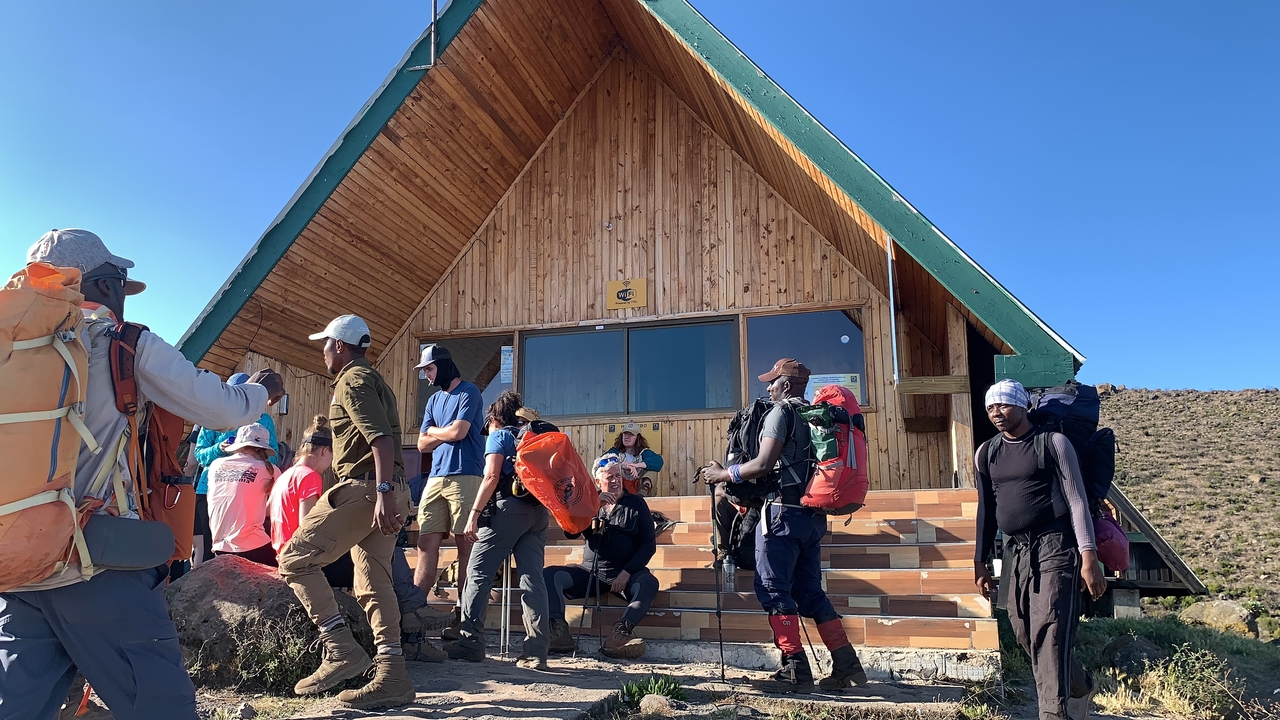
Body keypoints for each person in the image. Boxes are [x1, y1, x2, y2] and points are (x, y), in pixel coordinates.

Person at [1, 228, 284, 720]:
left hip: (18, 566)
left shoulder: (9, 350)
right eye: (120, 284)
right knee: (161, 707)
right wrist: (261, 393)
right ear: (107, 285)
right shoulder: (122, 343)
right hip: (99, 564)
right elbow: (219, 407)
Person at [276, 314, 415, 710]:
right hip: (387, 491)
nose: (322, 353)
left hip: (368, 489)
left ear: (339, 345)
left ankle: (340, 648)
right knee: (374, 584)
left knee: (294, 559)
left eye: (325, 345)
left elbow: (381, 439)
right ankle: (393, 676)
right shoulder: (375, 379)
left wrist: (383, 492)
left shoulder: (352, 380)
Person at [703, 358, 866, 693]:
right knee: (810, 592)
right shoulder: (818, 417)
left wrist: (723, 474)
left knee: (773, 590)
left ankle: (795, 670)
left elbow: (762, 465)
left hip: (780, 516)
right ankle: (847, 666)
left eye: (773, 382)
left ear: (787, 385)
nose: (768, 388)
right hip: (812, 517)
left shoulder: (781, 413)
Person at [975, 380, 1106, 720]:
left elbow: (1077, 501)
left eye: (1003, 405)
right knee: (1023, 631)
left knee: (1049, 629)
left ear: (1022, 406)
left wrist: (1088, 556)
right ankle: (1077, 685)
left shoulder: (1053, 444)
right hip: (1015, 551)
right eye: (991, 407)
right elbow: (986, 511)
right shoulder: (986, 453)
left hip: (1056, 545)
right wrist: (980, 561)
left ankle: (1053, 713)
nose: (996, 413)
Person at [443, 390, 552, 668]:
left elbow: (491, 476)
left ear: (494, 418)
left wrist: (473, 515)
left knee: (478, 573)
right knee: (532, 579)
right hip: (538, 513)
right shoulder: (537, 437)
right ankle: (536, 652)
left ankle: (470, 643)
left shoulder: (500, 436)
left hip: (506, 510)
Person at [544, 458, 658, 659]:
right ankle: (559, 635)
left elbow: (648, 544)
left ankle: (619, 636)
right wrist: (594, 506)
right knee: (549, 575)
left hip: (625, 573)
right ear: (598, 482)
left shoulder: (636, 503)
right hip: (590, 573)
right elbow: (570, 532)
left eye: (618, 476)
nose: (615, 481)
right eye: (609, 477)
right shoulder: (589, 503)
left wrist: (627, 572)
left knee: (649, 583)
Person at [412, 344, 486, 639]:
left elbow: (460, 432)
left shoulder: (470, 391)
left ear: (442, 366)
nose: (427, 376)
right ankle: (415, 611)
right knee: (424, 543)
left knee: (465, 546)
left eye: (429, 369)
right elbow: (420, 444)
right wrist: (444, 432)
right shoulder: (432, 401)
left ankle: (463, 617)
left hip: (466, 475)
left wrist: (435, 433)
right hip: (435, 477)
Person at [193, 375, 278, 567]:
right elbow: (199, 455)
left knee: (245, 551)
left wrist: (250, 461)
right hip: (209, 489)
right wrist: (220, 449)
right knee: (208, 552)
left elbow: (273, 455)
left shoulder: (263, 420)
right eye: (235, 394)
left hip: (247, 489)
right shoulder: (213, 417)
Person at [207, 423, 281, 566]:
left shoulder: (215, 465)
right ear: (264, 449)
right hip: (253, 546)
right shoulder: (270, 470)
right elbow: (278, 509)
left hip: (220, 546)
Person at [269, 415, 331, 555]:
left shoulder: (284, 475)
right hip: (298, 554)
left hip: (280, 551)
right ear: (325, 451)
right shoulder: (310, 476)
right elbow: (307, 525)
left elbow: (267, 511)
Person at [599, 422, 664, 496]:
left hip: (638, 488)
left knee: (652, 469)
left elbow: (659, 461)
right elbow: (600, 462)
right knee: (607, 470)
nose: (627, 437)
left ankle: (643, 491)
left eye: (631, 434)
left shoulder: (644, 453)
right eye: (625, 433)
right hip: (620, 488)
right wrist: (621, 465)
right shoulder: (615, 452)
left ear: (638, 438)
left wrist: (636, 465)